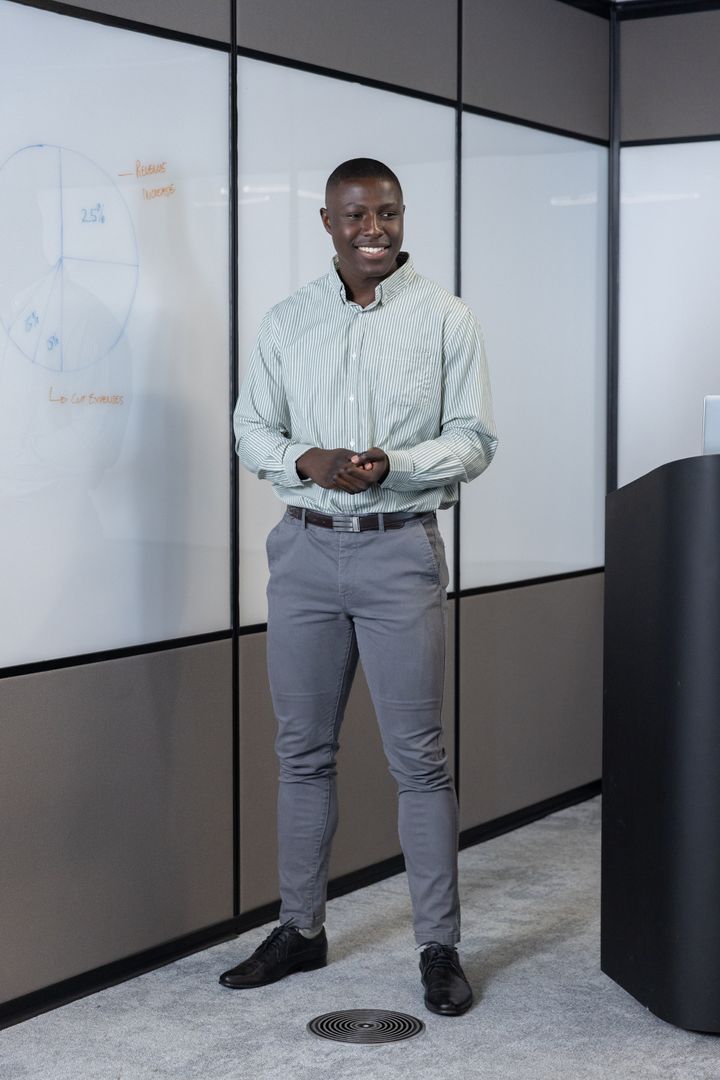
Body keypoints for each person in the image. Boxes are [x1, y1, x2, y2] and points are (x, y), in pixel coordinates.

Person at [220, 158, 497, 1016]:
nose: (372, 229)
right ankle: (301, 930)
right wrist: (309, 459)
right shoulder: (287, 321)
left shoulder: (446, 318)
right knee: (301, 752)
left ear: (402, 216)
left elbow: (475, 438)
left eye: (387, 214)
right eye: (355, 216)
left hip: (397, 551)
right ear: (326, 221)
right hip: (302, 554)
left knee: (419, 760)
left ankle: (437, 946)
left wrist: (393, 465)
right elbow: (249, 425)